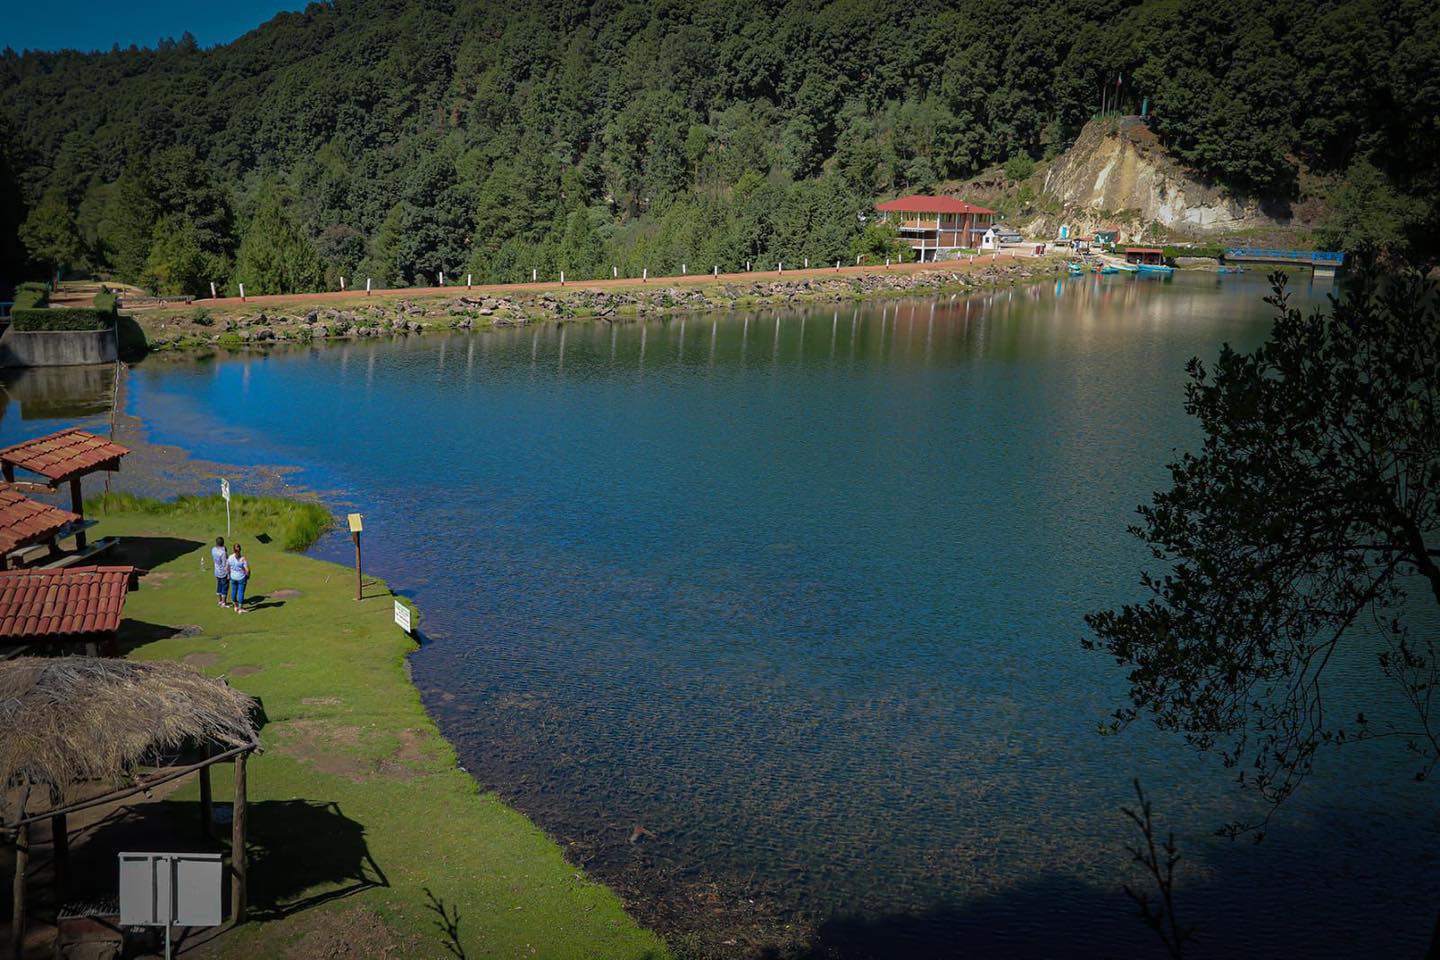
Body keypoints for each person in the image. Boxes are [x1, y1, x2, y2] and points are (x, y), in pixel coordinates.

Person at [227, 543, 251, 614]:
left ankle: (235, 606)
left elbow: (227, 567)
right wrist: (248, 576)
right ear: (240, 550)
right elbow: (247, 570)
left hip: (233, 577)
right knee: (241, 592)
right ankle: (240, 608)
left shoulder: (230, 557)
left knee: (233, 591)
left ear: (233, 550)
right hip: (241, 578)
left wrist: (228, 575)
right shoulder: (243, 559)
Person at [211, 536, 229, 608]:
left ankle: (220, 601)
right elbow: (225, 563)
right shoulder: (223, 553)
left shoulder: (213, 549)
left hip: (216, 571)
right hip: (223, 572)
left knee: (219, 586)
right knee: (224, 587)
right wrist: (228, 573)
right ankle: (224, 603)